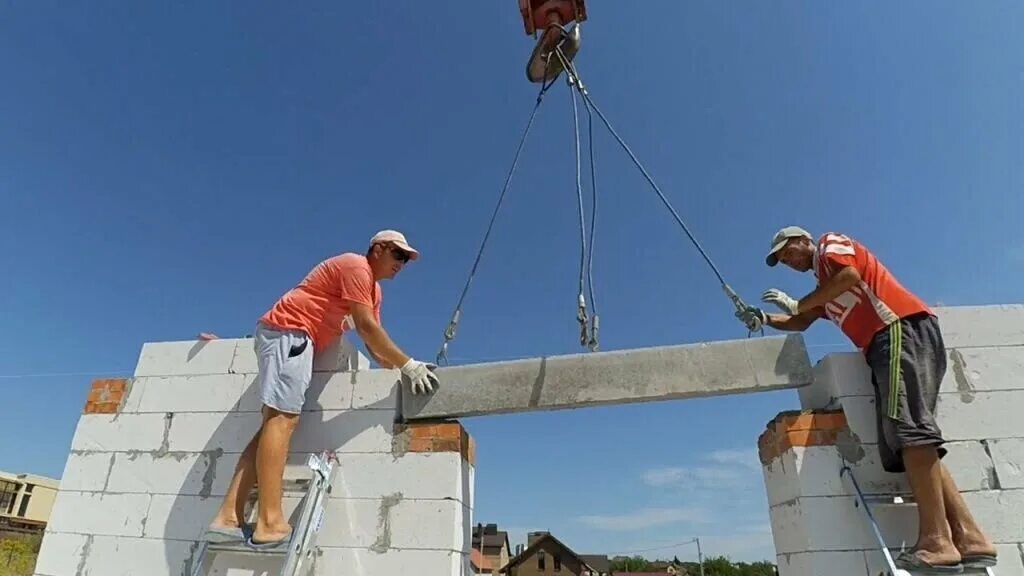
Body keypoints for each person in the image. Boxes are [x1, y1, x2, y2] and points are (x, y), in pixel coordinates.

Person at [737, 226, 997, 573]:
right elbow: (800, 321)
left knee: (911, 432)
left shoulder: (831, 245)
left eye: (789, 251)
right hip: (885, 344)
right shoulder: (823, 291)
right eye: (783, 260)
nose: (788, 261)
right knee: (911, 439)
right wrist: (765, 318)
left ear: (804, 240)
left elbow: (849, 275)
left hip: (898, 330)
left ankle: (938, 541)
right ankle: (971, 539)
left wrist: (801, 302)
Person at [205, 229, 439, 550]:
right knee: (282, 421)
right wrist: (408, 364)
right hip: (291, 331)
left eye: (407, 260)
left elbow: (375, 344)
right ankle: (269, 523)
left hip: (294, 339)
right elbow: (367, 327)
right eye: (398, 255)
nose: (402, 264)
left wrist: (405, 368)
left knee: (272, 426)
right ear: (378, 249)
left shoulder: (373, 293)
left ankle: (228, 516)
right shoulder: (356, 266)